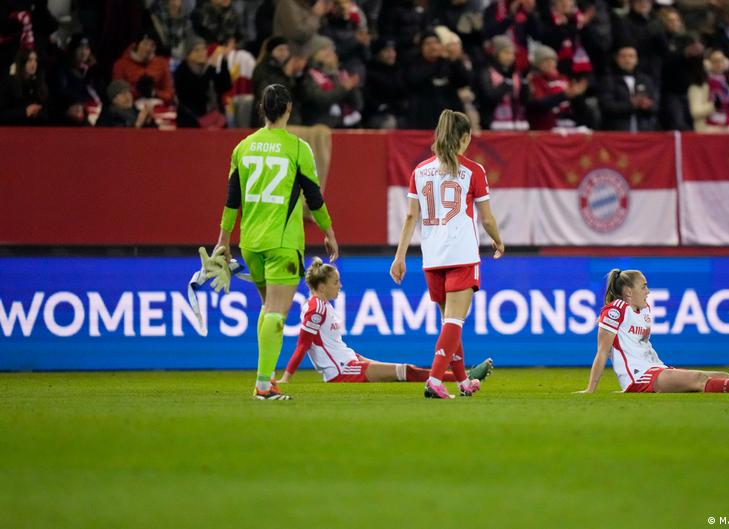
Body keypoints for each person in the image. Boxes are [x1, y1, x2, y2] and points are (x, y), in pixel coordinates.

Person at [213, 83, 339, 400]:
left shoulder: (243, 147)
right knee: (277, 314)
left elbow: (231, 199)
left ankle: (263, 379)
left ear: (261, 110)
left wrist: (223, 240)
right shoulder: (297, 148)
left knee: (267, 308)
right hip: (282, 242)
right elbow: (314, 196)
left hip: (250, 243)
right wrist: (329, 230)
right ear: (288, 109)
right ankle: (263, 383)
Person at [390, 109, 505, 399]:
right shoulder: (473, 170)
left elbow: (410, 217)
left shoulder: (420, 171)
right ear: (464, 137)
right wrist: (498, 241)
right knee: (454, 322)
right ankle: (435, 380)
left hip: (432, 257)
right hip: (462, 254)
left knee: (449, 324)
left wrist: (400, 256)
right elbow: (488, 219)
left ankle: (463, 382)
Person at [576, 269, 729, 394]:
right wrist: (591, 389)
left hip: (656, 369)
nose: (648, 291)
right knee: (700, 381)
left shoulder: (645, 309)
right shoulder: (615, 310)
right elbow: (602, 352)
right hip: (640, 379)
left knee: (722, 375)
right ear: (628, 291)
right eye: (644, 286)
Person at [277, 259, 494, 384]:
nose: (340, 286)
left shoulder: (323, 306)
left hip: (350, 359)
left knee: (404, 369)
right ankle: (459, 378)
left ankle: (460, 377)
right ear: (322, 287)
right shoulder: (316, 309)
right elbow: (303, 345)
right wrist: (286, 378)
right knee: (403, 371)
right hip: (342, 370)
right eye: (335, 282)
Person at [174, 36, 233, 128]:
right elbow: (198, 92)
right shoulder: (182, 71)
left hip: (214, 121)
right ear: (188, 54)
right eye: (196, 50)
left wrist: (224, 61)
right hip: (191, 123)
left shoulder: (206, 69)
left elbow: (225, 86)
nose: (202, 53)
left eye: (204, 49)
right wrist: (211, 68)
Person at [598, 44, 659, 131]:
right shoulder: (608, 80)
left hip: (643, 132)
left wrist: (648, 106)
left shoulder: (645, 80)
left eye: (631, 56)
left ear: (636, 59)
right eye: (623, 56)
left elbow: (656, 106)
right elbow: (606, 106)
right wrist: (631, 105)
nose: (627, 60)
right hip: (617, 132)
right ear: (616, 59)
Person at [111, 32, 175, 105]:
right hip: (131, 108)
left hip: (157, 107)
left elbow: (169, 94)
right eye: (145, 44)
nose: (148, 48)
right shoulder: (121, 65)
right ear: (137, 45)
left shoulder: (162, 63)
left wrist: (154, 92)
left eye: (152, 45)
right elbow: (117, 95)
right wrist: (137, 92)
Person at [688, 47, 729, 133]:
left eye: (721, 60)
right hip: (707, 133)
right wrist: (714, 106)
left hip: (728, 132)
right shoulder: (699, 86)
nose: (719, 64)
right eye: (715, 61)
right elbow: (695, 112)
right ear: (707, 63)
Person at [0, 48, 49, 125]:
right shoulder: (9, 83)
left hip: (36, 130)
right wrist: (24, 112)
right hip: (13, 129)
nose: (34, 64)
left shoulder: (38, 83)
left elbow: (48, 110)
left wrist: (39, 112)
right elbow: (3, 114)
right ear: (21, 63)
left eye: (35, 60)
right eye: (30, 60)